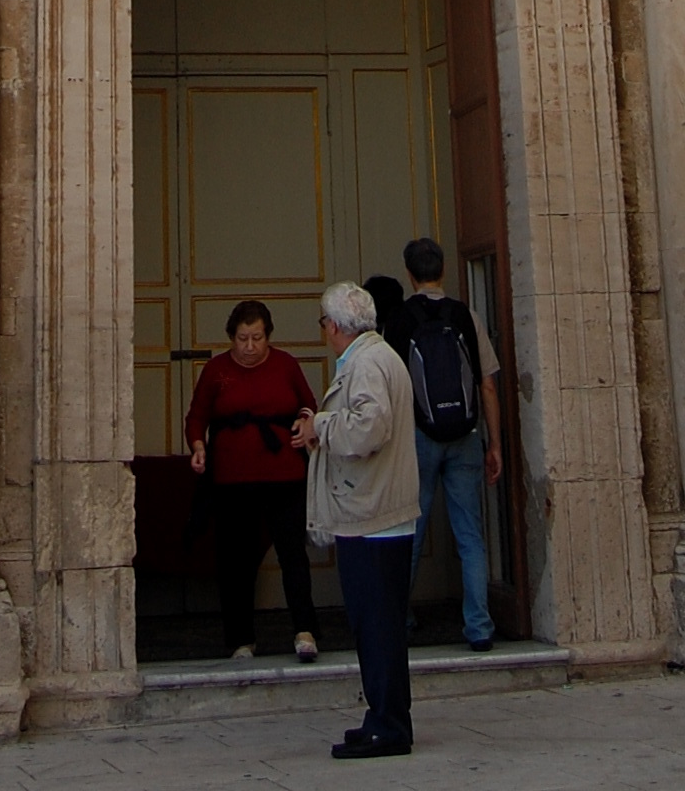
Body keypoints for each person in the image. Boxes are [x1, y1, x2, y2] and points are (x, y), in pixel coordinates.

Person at [292, 281, 419, 760]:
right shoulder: (376, 356)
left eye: (324, 323)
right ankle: (384, 718)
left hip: (373, 515)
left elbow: (370, 426)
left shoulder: (366, 362)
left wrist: (320, 426)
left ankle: (389, 725)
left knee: (377, 626)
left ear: (337, 326)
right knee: (377, 626)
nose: (324, 331)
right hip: (377, 511)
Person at [184, 300, 321, 662]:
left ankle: (304, 631)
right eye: (242, 338)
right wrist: (198, 446)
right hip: (233, 479)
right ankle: (241, 639)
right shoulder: (216, 371)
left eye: (256, 338)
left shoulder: (286, 364)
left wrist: (306, 422)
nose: (249, 346)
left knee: (293, 554)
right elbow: (196, 417)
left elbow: (309, 406)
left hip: (284, 476)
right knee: (235, 560)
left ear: (268, 336)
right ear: (231, 337)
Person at [398, 239, 503, 653]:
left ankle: (399, 618)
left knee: (410, 530)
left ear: (410, 273)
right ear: (442, 270)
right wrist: (494, 443)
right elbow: (488, 385)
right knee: (470, 534)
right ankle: (479, 626)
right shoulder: (465, 315)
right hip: (464, 436)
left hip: (418, 436)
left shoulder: (401, 320)